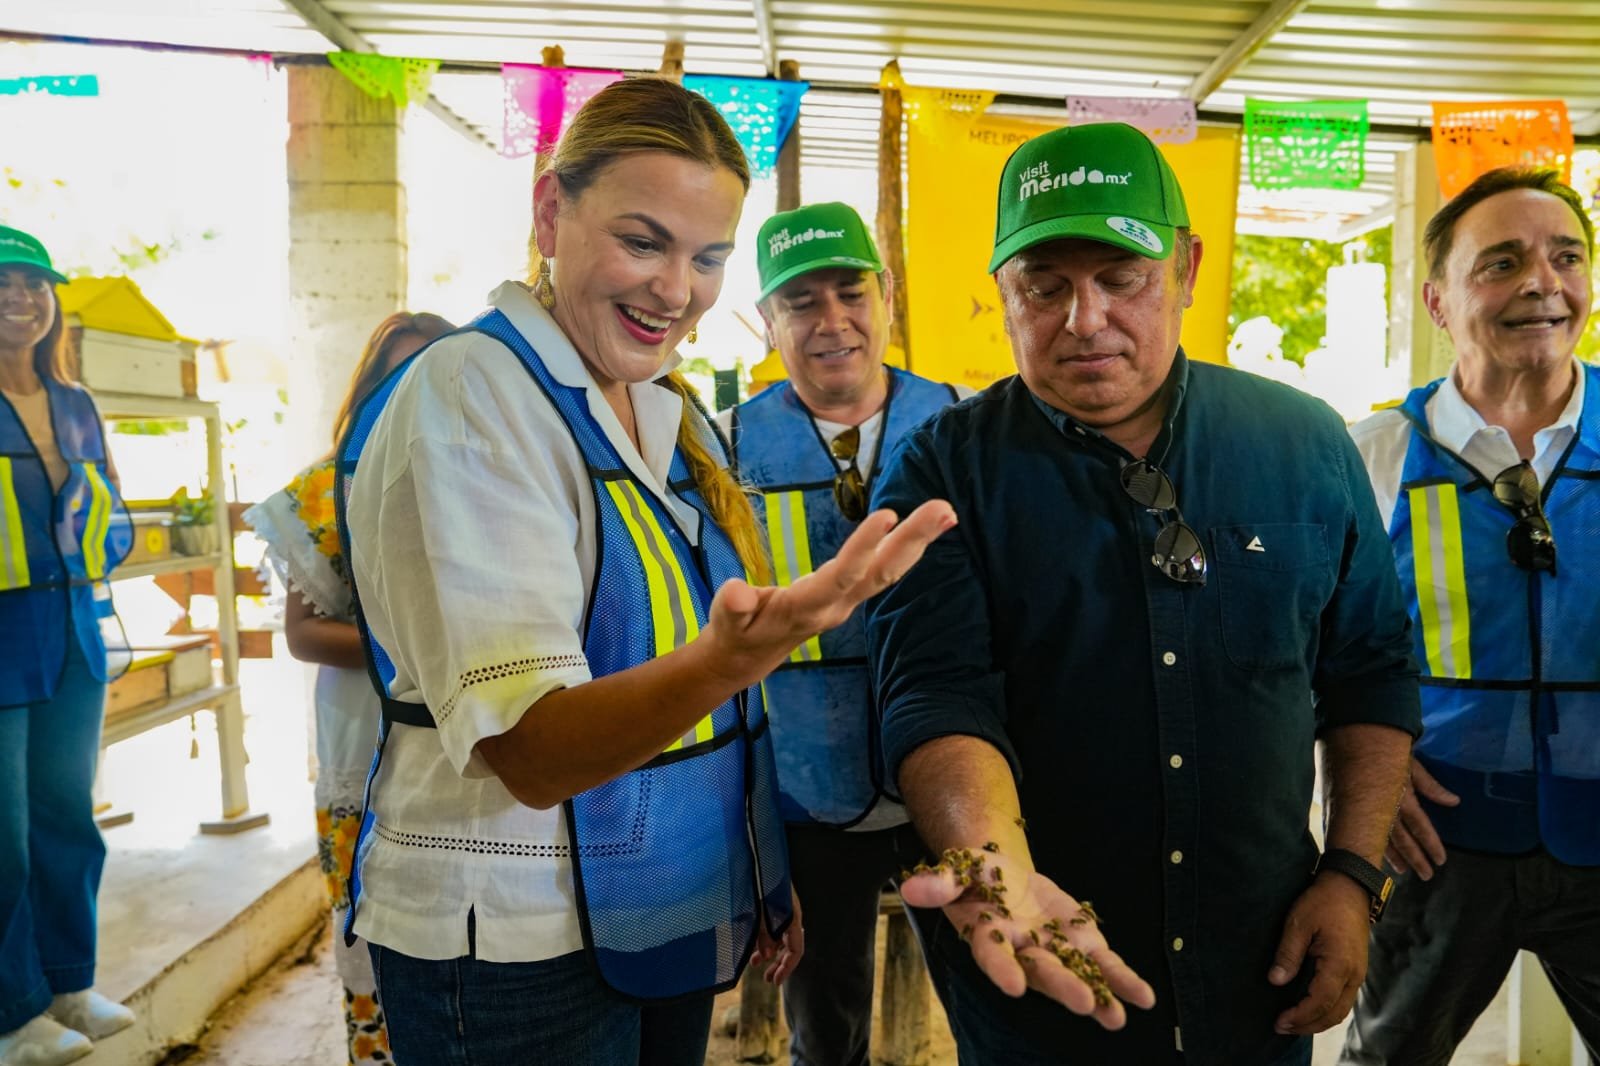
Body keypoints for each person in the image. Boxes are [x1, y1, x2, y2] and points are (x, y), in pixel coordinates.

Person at [337, 77, 953, 1065]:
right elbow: (532, 753)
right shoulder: (473, 394)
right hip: (515, 937)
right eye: (642, 241)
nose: (675, 290)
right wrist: (733, 659)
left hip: (655, 903)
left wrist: (752, 864)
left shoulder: (660, 408)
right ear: (550, 212)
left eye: (706, 258)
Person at [863, 122, 1423, 1066]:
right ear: (1002, 292)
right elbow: (934, 692)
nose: (1085, 320)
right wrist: (993, 867)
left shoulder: (1305, 445)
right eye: (1045, 287)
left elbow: (1369, 672)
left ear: (1188, 269)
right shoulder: (942, 470)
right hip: (1042, 973)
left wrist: (1353, 875)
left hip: (1262, 965)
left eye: (1123, 277)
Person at [1339, 167, 1600, 1065]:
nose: (1542, 283)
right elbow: (1299, 646)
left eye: (1567, 257)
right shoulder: (1373, 457)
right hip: (1435, 844)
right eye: (1502, 262)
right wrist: (1359, 765)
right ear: (1438, 302)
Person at [715, 200, 965, 1066]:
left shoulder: (965, 424)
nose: (832, 322)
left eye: (851, 293)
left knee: (994, 1006)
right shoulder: (725, 450)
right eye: (801, 302)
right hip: (804, 796)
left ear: (886, 294)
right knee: (825, 1034)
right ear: (767, 320)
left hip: (948, 773)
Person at [244, 310, 452, 1066]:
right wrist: (422, 648)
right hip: (362, 735)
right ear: (366, 391)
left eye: (431, 375)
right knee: (368, 923)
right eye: (393, 378)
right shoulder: (324, 491)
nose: (410, 394)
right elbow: (303, 634)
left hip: (457, 743)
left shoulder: (483, 478)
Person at [0, 226, 136, 1066]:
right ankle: (13, 1016)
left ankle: (67, 985)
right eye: (4, 284)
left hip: (74, 632)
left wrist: (109, 540)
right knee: (3, 835)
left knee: (67, 818)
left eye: (35, 284)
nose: (21, 298)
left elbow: (109, 506)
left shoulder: (76, 404)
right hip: (2, 639)